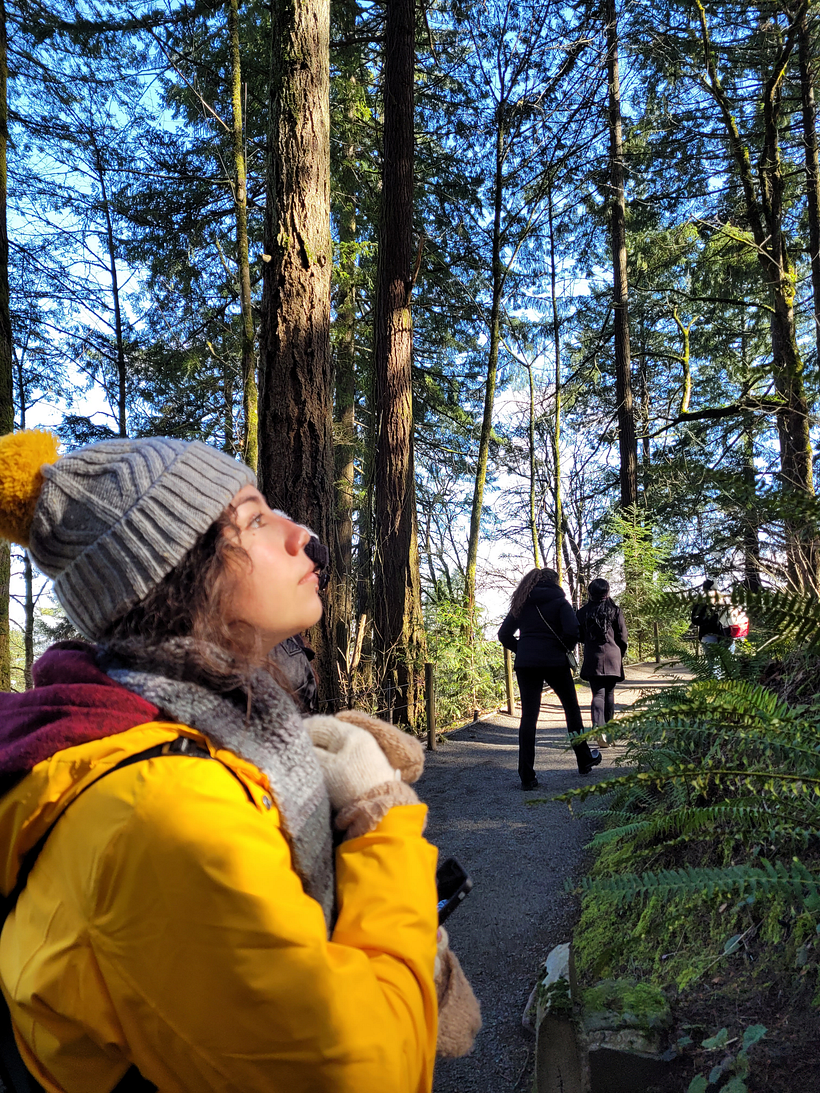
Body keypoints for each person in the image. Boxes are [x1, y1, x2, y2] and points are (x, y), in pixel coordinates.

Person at [0, 430, 480, 1093]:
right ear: (176, 577)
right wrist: (383, 823)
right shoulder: (166, 816)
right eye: (253, 519)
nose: (300, 532)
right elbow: (370, 1073)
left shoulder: (203, 734)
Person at [498, 568, 601, 787]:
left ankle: (527, 776)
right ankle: (584, 759)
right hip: (555, 662)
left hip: (527, 665)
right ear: (555, 582)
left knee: (529, 717)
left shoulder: (521, 603)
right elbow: (573, 631)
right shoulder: (560, 601)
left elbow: (503, 635)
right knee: (571, 709)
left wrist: (523, 650)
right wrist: (562, 648)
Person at [576, 578, 628, 747]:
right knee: (610, 694)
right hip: (613, 656)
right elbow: (623, 637)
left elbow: (579, 636)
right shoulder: (615, 611)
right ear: (607, 592)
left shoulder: (583, 612)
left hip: (594, 657)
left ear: (590, 593)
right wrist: (620, 653)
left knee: (597, 694)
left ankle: (600, 731)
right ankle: (609, 733)